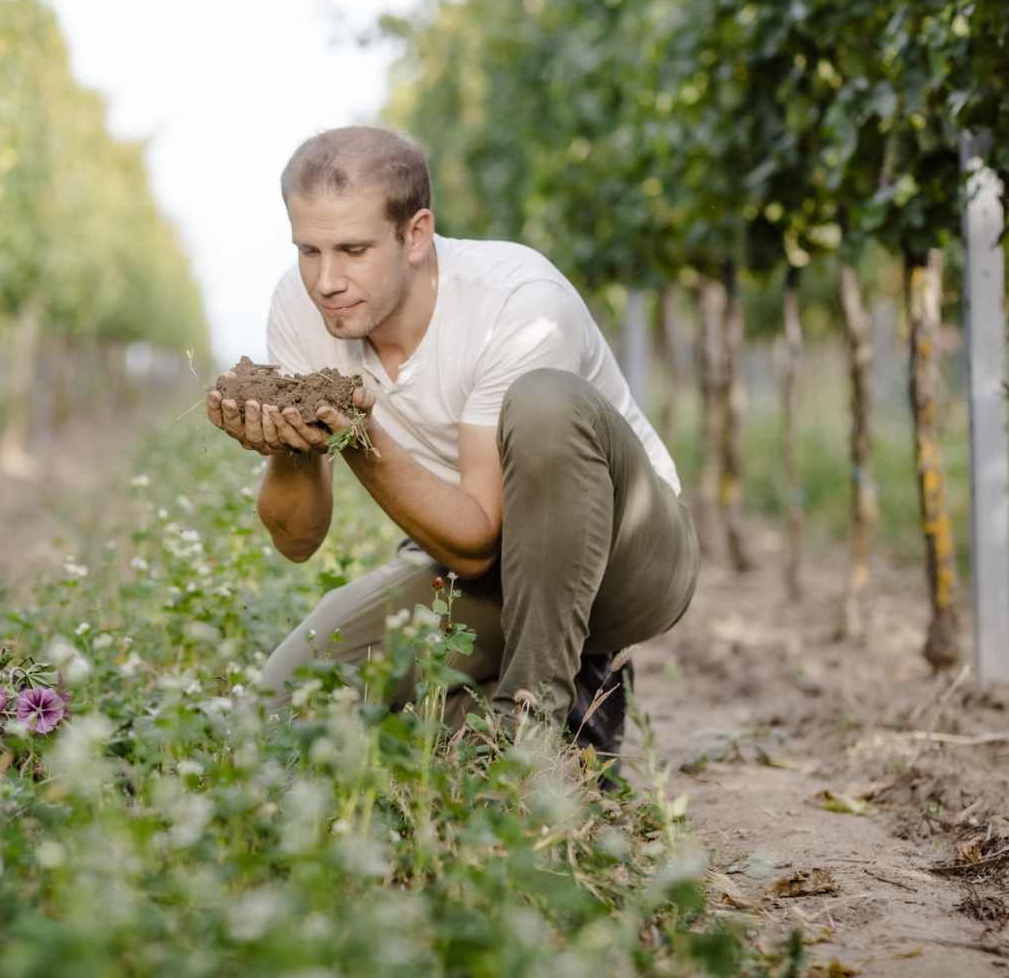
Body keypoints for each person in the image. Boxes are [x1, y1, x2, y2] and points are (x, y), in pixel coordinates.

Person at [205, 126, 698, 756]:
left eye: (353, 250)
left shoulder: (521, 303)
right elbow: (297, 539)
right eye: (308, 251)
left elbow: (474, 543)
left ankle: (534, 730)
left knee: (547, 403)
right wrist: (292, 449)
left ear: (415, 235)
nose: (325, 280)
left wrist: (356, 437)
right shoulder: (301, 312)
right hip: (491, 572)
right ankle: (537, 720)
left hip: (625, 561)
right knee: (281, 705)